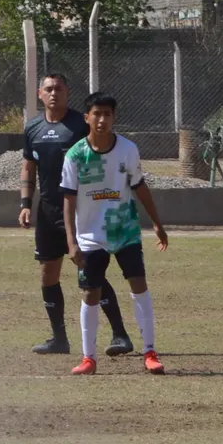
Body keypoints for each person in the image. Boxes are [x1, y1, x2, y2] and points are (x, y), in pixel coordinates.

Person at [20, 74, 133, 356]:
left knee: (89, 271)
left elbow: (102, 154)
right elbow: (28, 167)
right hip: (47, 210)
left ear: (67, 92)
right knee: (48, 274)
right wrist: (25, 202)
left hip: (81, 209)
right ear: (39, 94)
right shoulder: (32, 127)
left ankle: (120, 335)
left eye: (59, 88)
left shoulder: (79, 125)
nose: (54, 93)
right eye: (48, 89)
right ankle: (59, 339)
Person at [60, 93, 169, 376]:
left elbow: (139, 185)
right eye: (97, 114)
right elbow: (69, 200)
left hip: (126, 230)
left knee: (139, 285)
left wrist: (157, 222)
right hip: (90, 236)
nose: (102, 119)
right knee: (91, 293)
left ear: (114, 118)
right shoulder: (75, 155)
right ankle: (88, 358)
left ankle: (150, 351)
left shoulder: (128, 149)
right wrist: (71, 242)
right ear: (87, 118)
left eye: (108, 114)